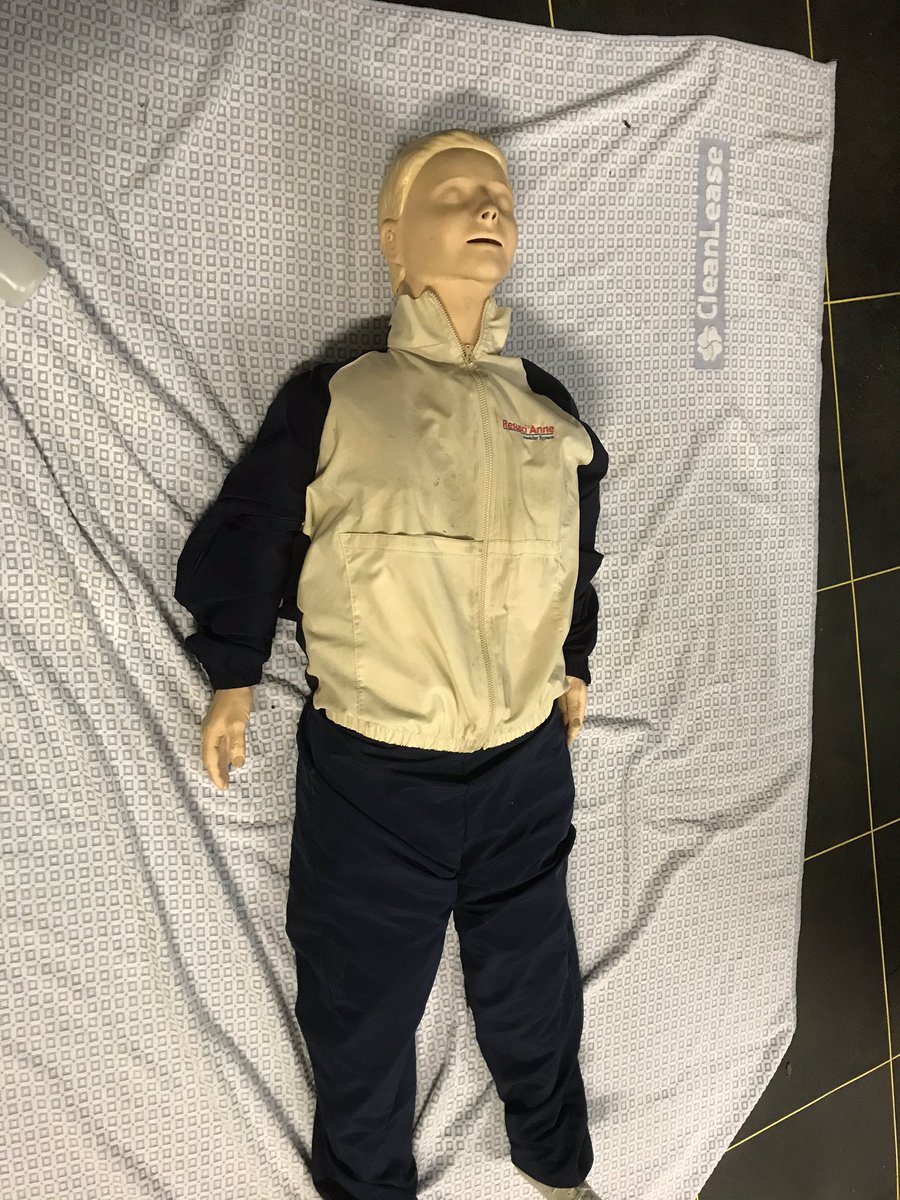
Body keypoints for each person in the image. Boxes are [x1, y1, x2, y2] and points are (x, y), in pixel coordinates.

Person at [175, 128, 609, 1200]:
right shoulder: (337, 397)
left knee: (535, 984)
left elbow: (575, 553)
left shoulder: (553, 412)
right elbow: (251, 532)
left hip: (523, 765)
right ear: (392, 239)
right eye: (454, 193)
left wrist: (572, 663)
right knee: (360, 1013)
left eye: (499, 193)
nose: (487, 208)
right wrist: (234, 673)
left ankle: (557, 1166)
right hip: (372, 775)